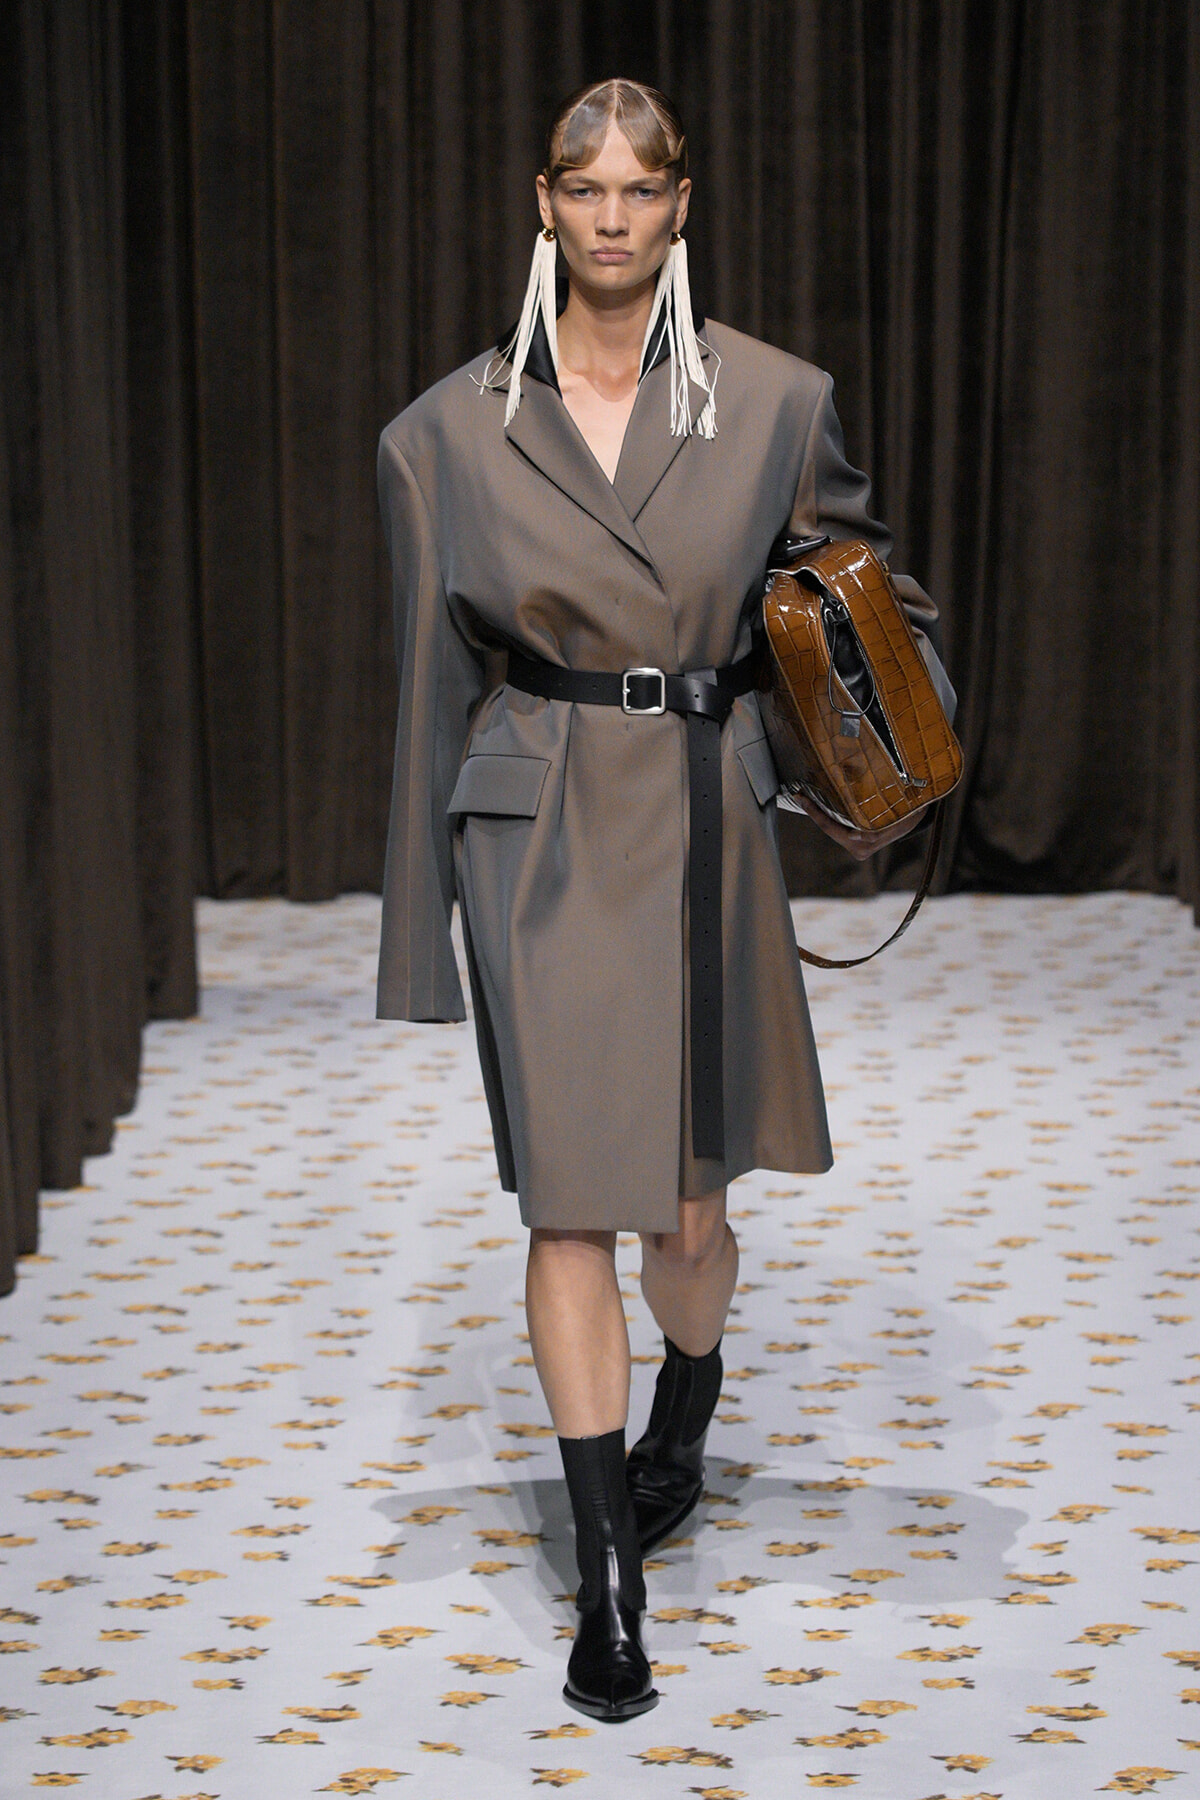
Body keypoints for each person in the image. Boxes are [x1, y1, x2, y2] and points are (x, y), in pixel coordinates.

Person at [375, 78, 949, 1723]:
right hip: (537, 827)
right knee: (568, 1205)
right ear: (543, 206)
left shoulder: (774, 400)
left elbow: (859, 585)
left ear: (681, 206)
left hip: (703, 814)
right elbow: (428, 679)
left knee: (688, 1216)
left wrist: (851, 718)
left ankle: (685, 1394)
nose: (613, 215)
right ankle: (608, 1577)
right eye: (585, 188)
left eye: (643, 189)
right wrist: (427, 937)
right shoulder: (444, 431)